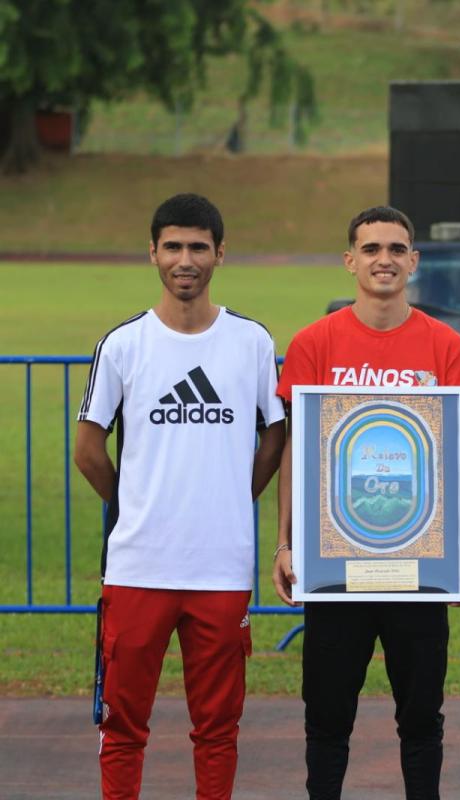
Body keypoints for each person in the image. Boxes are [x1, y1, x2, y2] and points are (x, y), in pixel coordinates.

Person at [74, 193, 286, 800]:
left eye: (198, 247)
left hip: (220, 567)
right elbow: (88, 448)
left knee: (217, 728)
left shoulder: (250, 342)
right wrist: (130, 503)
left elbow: (276, 435)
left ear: (220, 253)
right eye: (173, 246)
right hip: (139, 565)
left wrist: (232, 495)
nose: (185, 259)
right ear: (153, 253)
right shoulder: (124, 345)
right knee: (122, 726)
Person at [271, 206, 460, 800]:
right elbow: (297, 447)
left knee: (421, 717)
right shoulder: (315, 343)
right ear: (350, 262)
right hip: (336, 563)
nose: (384, 259)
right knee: (327, 719)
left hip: (419, 564)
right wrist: (286, 543)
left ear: (413, 261)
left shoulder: (444, 344)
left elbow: (459, 453)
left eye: (396, 249)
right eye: (370, 249)